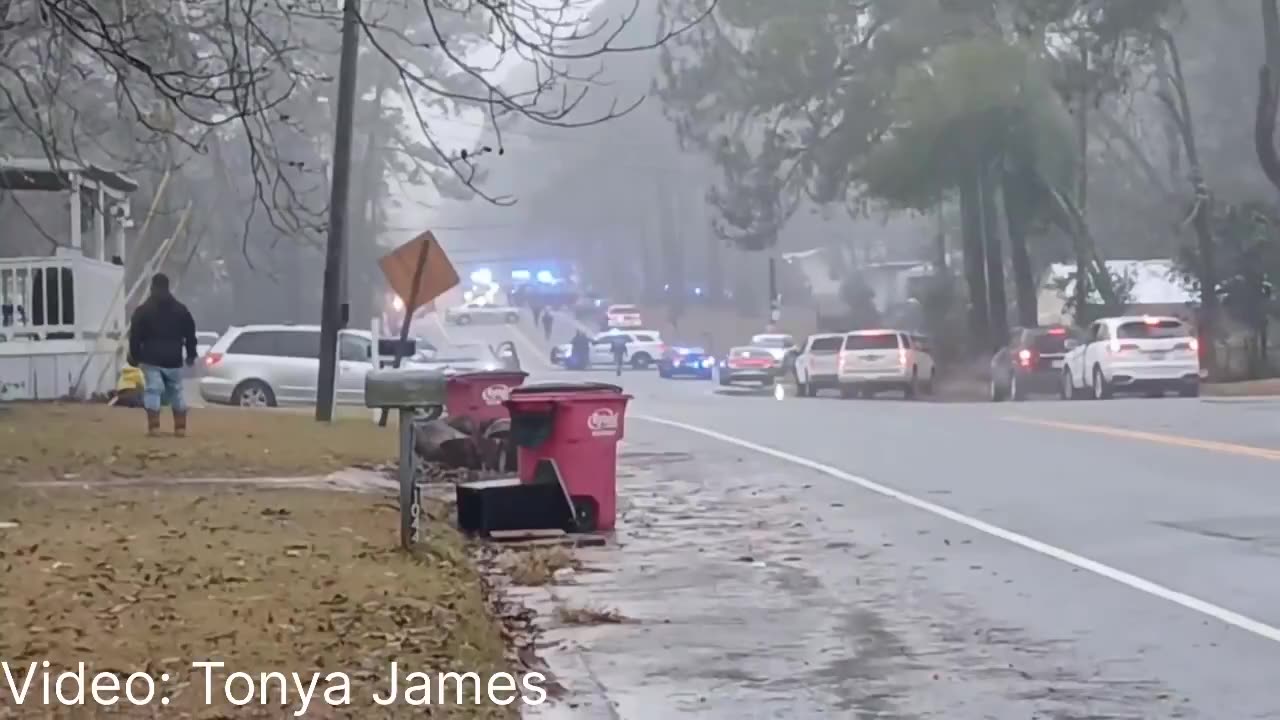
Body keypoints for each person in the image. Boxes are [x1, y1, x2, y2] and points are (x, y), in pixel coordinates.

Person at [128, 273, 197, 437]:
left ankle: (154, 427)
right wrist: (191, 354)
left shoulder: (143, 311)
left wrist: (135, 356)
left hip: (151, 358)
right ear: (168, 287)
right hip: (174, 359)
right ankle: (180, 428)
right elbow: (190, 334)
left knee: (153, 390)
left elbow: (135, 336)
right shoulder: (181, 310)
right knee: (176, 391)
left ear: (152, 288)